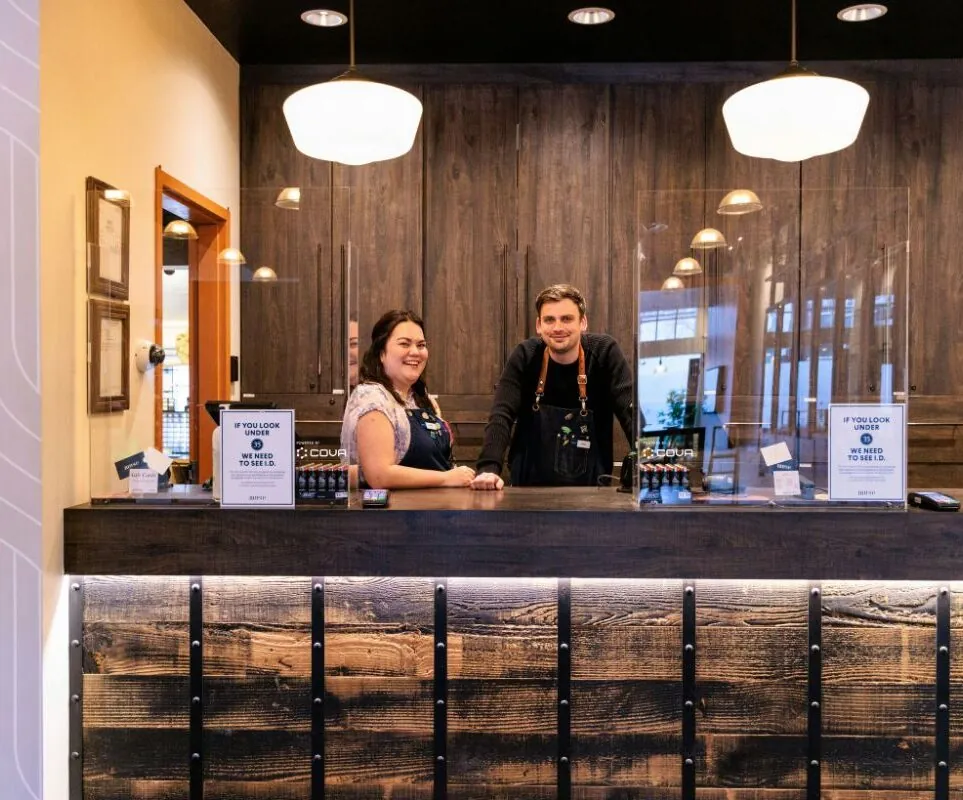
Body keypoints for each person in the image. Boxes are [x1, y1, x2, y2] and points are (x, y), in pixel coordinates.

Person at [471, 284, 634, 489]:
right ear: (539, 325)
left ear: (583, 322)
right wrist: (488, 468)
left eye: (566, 319)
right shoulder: (525, 355)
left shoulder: (604, 352)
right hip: (526, 492)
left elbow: (632, 413)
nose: (558, 328)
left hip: (593, 493)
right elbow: (501, 416)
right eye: (549, 320)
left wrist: (654, 464)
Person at [341, 310, 476, 489]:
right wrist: (447, 478)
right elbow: (380, 476)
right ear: (381, 352)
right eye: (404, 344)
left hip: (432, 510)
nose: (415, 352)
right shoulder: (371, 397)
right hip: (389, 513)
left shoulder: (421, 398)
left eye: (421, 345)